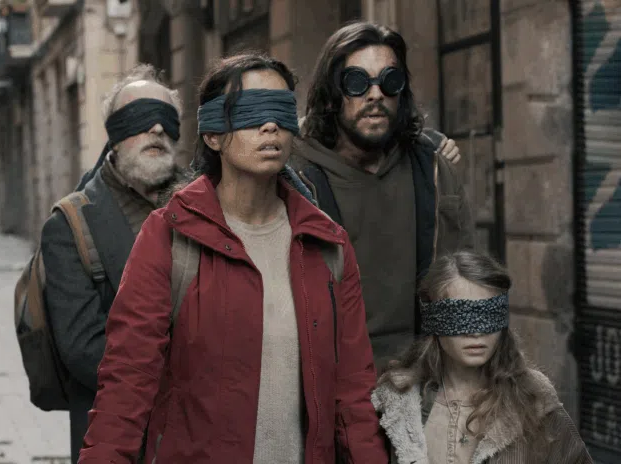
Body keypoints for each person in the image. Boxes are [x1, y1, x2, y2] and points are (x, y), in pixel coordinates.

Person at [78, 53, 389, 463]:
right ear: (212, 135)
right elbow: (127, 382)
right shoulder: (168, 236)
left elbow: (353, 393)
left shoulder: (328, 244)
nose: (270, 125)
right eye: (250, 111)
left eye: (281, 110)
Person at [289, 21, 475, 365]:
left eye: (389, 81)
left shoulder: (433, 170)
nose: (375, 95)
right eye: (356, 82)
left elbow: (467, 286)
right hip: (328, 381)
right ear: (332, 92)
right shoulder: (294, 177)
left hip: (421, 377)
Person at [40, 64, 191, 463]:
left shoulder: (206, 204)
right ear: (115, 134)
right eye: (140, 118)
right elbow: (82, 349)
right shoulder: (71, 224)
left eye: (166, 119)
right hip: (120, 437)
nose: (156, 129)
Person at [371, 251, 593, 464]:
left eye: (488, 315)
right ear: (433, 320)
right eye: (461, 317)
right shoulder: (397, 401)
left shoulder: (534, 400)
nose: (476, 332)